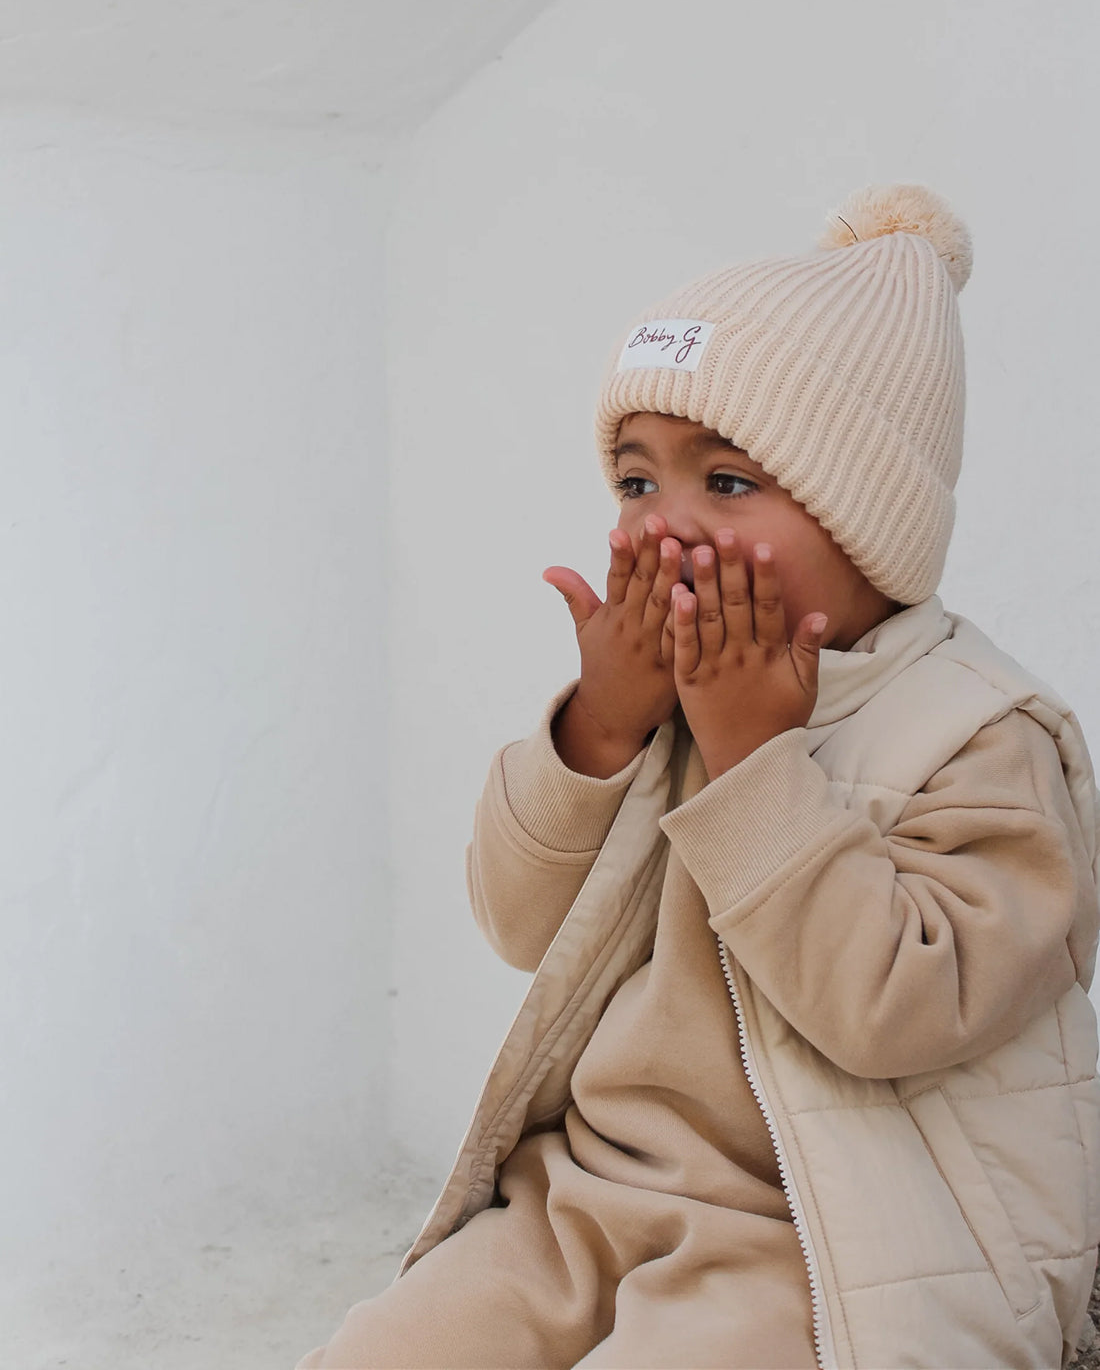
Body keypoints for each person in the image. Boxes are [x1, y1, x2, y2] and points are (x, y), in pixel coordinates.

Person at [297, 184, 1100, 1370]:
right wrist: (599, 732)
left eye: (724, 483)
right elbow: (520, 925)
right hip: (587, 1193)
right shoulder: (655, 697)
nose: (665, 526)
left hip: (826, 1231)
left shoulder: (985, 733)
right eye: (635, 482)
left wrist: (753, 760)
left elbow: (897, 1011)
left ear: (869, 520)